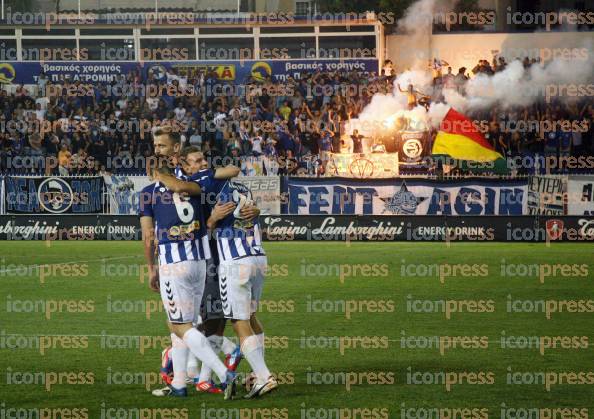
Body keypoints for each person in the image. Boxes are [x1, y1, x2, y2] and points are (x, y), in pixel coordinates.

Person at [140, 127, 239, 399]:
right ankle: (180, 383)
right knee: (182, 325)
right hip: (199, 261)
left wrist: (151, 269)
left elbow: (148, 235)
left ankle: (224, 371)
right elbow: (229, 172)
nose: (156, 149)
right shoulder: (196, 181)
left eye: (160, 146)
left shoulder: (148, 192)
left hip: (174, 264)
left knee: (178, 325)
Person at [197, 169, 278, 399]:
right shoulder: (242, 188)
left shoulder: (215, 191)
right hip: (258, 257)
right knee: (251, 316)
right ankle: (257, 372)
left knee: (238, 321)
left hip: (235, 262)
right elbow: (251, 213)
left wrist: (211, 219)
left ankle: (264, 376)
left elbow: (204, 230)